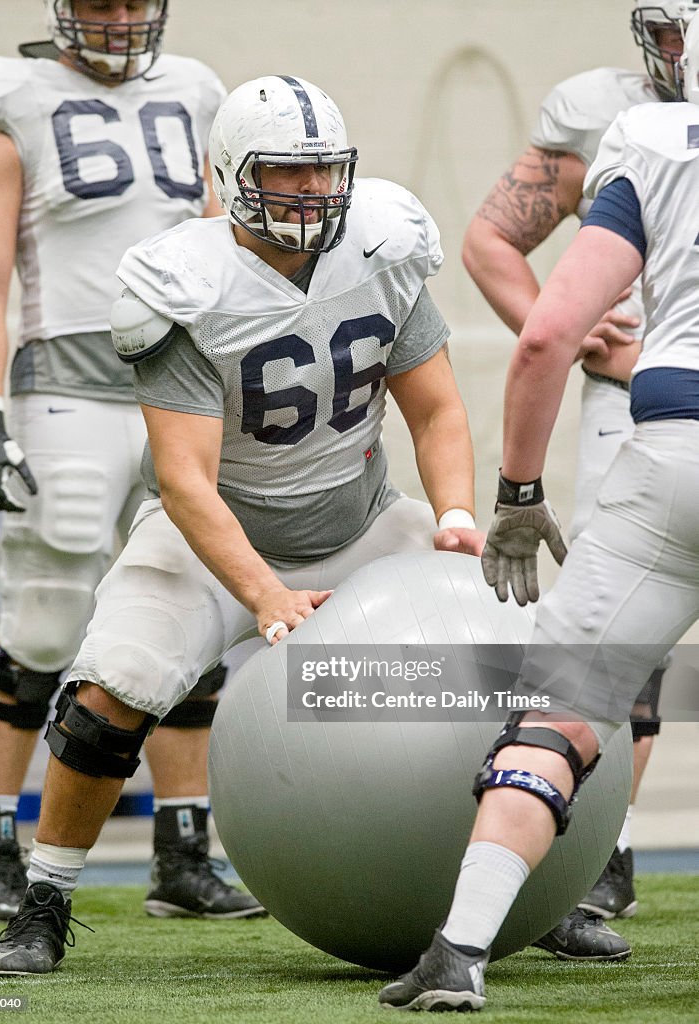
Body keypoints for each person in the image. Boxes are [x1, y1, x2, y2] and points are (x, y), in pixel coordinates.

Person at [0, 72, 486, 976]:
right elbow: (184, 480)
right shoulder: (184, 278)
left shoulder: (384, 242)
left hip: (362, 518)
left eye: (324, 171)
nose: (310, 191)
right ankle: (45, 894)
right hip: (214, 533)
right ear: (229, 174)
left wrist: (452, 516)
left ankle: (536, 881)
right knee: (112, 687)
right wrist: (264, 595)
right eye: (285, 174)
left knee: (515, 666)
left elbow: (439, 412)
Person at [378, 11, 699, 1014]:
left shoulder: (648, 138)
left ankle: (461, 952)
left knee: (559, 709)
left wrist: (516, 493)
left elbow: (545, 336)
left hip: (672, 451)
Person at [0, 0, 263, 925]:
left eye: (134, 1)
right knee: (44, 622)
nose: (119, 19)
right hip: (66, 392)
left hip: (180, 386)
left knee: (186, 608)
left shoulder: (199, 90)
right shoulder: (12, 96)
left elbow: (223, 248)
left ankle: (183, 856)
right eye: (98, 1)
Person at [460, 0, 696, 928]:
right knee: (611, 656)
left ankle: (533, 884)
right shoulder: (601, 110)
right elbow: (492, 238)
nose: (676, 51)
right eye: (666, 31)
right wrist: (556, 328)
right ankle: (602, 860)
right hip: (636, 402)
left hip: (670, 414)